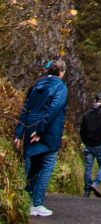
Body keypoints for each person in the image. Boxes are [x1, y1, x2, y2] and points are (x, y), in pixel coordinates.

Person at [13, 58, 68, 218]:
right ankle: (36, 203)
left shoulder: (37, 85)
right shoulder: (61, 87)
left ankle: (26, 201)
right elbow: (54, 109)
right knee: (46, 166)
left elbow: (25, 109)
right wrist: (40, 131)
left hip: (30, 128)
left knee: (31, 167)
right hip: (49, 132)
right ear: (61, 72)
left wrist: (18, 133)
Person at [79, 91, 101, 197]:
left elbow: (82, 131)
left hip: (89, 144)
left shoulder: (86, 114)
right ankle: (96, 183)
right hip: (100, 144)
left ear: (94, 100)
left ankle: (87, 190)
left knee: (88, 167)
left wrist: (85, 141)